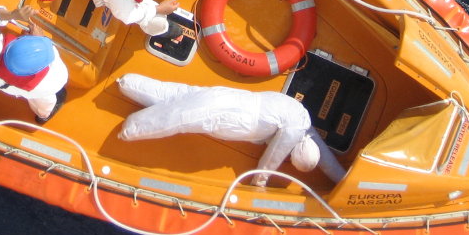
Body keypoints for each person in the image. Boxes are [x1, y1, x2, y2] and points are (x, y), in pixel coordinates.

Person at [115, 74, 346, 187]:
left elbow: (326, 160)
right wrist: (259, 182)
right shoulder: (295, 132)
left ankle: (127, 83)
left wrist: (342, 180)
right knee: (179, 118)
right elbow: (271, 159)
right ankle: (131, 128)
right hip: (228, 116)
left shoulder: (303, 120)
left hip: (226, 98)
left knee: (179, 96)